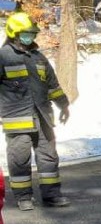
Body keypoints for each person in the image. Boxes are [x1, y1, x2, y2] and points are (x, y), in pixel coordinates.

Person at [0, 12, 71, 210]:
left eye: (32, 33)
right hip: (17, 119)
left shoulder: (39, 57)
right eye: (26, 33)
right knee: (19, 159)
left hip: (43, 117)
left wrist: (64, 105)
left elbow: (52, 85)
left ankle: (52, 195)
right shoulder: (3, 56)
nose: (30, 37)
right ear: (14, 32)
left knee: (48, 156)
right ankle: (23, 197)